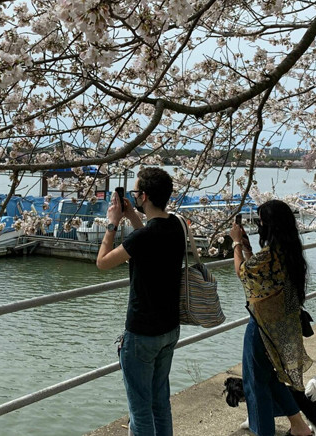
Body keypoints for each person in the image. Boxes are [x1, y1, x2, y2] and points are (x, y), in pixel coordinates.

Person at [96, 167, 185, 436]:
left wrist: (112, 224)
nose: (134, 196)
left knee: (140, 409)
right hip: (169, 329)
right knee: (160, 402)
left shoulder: (143, 237)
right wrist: (133, 216)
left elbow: (102, 262)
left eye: (136, 192)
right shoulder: (176, 225)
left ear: (144, 196)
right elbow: (149, 241)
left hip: (142, 333)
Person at [230, 200, 314, 436]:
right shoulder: (288, 251)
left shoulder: (270, 256)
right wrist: (247, 248)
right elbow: (262, 273)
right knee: (270, 378)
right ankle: (299, 427)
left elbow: (243, 272)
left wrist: (236, 242)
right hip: (282, 325)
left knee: (255, 381)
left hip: (262, 327)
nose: (259, 225)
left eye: (261, 221)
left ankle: (263, 431)